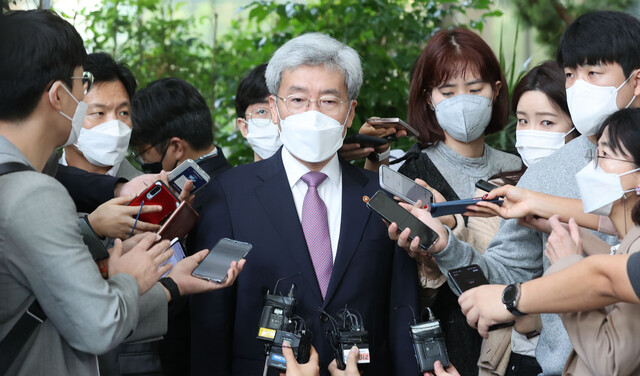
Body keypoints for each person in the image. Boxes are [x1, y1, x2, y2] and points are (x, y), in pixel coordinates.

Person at [390, 11, 640, 376]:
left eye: (593, 73)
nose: (579, 86)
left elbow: (612, 273)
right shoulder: (545, 173)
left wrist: (516, 297)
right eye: (570, 74)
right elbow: (503, 273)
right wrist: (446, 244)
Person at [0, 10, 243, 375]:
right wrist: (129, 277)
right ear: (57, 95)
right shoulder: (36, 194)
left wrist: (172, 286)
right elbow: (97, 324)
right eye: (83, 85)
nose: (84, 102)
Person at [190, 32, 420, 375]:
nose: (312, 113)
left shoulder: (381, 197)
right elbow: (210, 322)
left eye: (329, 101)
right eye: (297, 100)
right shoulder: (229, 194)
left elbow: (402, 311)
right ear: (276, 108)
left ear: (350, 112)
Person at [365, 27, 521, 376]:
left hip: (518, 349)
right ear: (429, 98)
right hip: (441, 355)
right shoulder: (409, 171)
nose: (462, 101)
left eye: (474, 88)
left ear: (495, 91)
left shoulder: (519, 169)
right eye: (448, 91)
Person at [462, 109, 640, 376]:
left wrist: (566, 268)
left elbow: (610, 361)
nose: (593, 166)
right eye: (595, 153)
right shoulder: (628, 240)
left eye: (606, 154)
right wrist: (558, 225)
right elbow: (621, 261)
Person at [131, 77, 232, 213]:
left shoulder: (192, 207)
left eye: (143, 152)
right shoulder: (235, 181)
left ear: (176, 147)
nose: (144, 161)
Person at [60, 52, 141, 180]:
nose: (115, 125)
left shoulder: (145, 191)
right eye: (99, 113)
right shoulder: (39, 182)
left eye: (124, 113)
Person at [236, 63, 283, 161]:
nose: (275, 120)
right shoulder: (234, 177)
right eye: (262, 111)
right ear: (244, 127)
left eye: (280, 110)